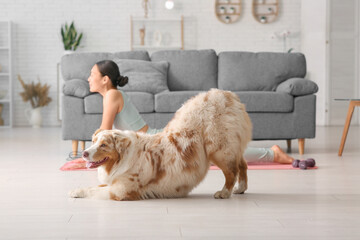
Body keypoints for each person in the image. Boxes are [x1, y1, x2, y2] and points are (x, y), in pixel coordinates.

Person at [88, 60, 293, 164]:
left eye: (92, 74)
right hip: (152, 142)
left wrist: (88, 156)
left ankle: (272, 154)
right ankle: (271, 153)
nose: (88, 78)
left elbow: (104, 132)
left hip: (156, 142)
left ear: (105, 79)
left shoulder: (112, 95)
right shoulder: (111, 95)